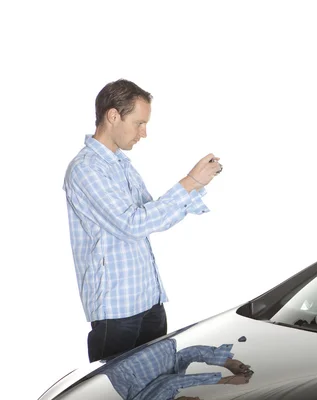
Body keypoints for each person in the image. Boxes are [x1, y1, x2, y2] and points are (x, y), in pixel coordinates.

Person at [63, 79, 223, 363]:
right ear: (113, 116)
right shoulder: (86, 168)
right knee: (111, 393)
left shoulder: (121, 164)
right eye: (139, 123)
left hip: (149, 299)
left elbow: (151, 215)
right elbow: (133, 224)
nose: (144, 133)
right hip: (117, 309)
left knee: (157, 385)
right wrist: (188, 183)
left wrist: (194, 186)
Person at [101, 339, 253, 400]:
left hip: (123, 352)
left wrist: (226, 380)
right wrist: (227, 362)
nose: (198, 399)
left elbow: (169, 382)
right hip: (148, 341)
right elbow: (186, 355)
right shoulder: (170, 395)